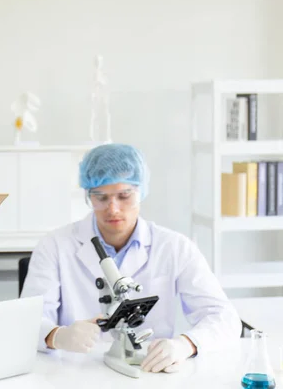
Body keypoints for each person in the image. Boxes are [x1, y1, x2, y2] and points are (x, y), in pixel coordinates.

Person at [20, 143, 241, 373]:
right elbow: (27, 322)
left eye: (124, 196)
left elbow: (224, 318)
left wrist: (186, 344)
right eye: (101, 197)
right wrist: (56, 336)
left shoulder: (174, 247)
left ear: (141, 191)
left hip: (150, 371)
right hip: (75, 372)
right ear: (88, 196)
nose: (113, 209)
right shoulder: (55, 246)